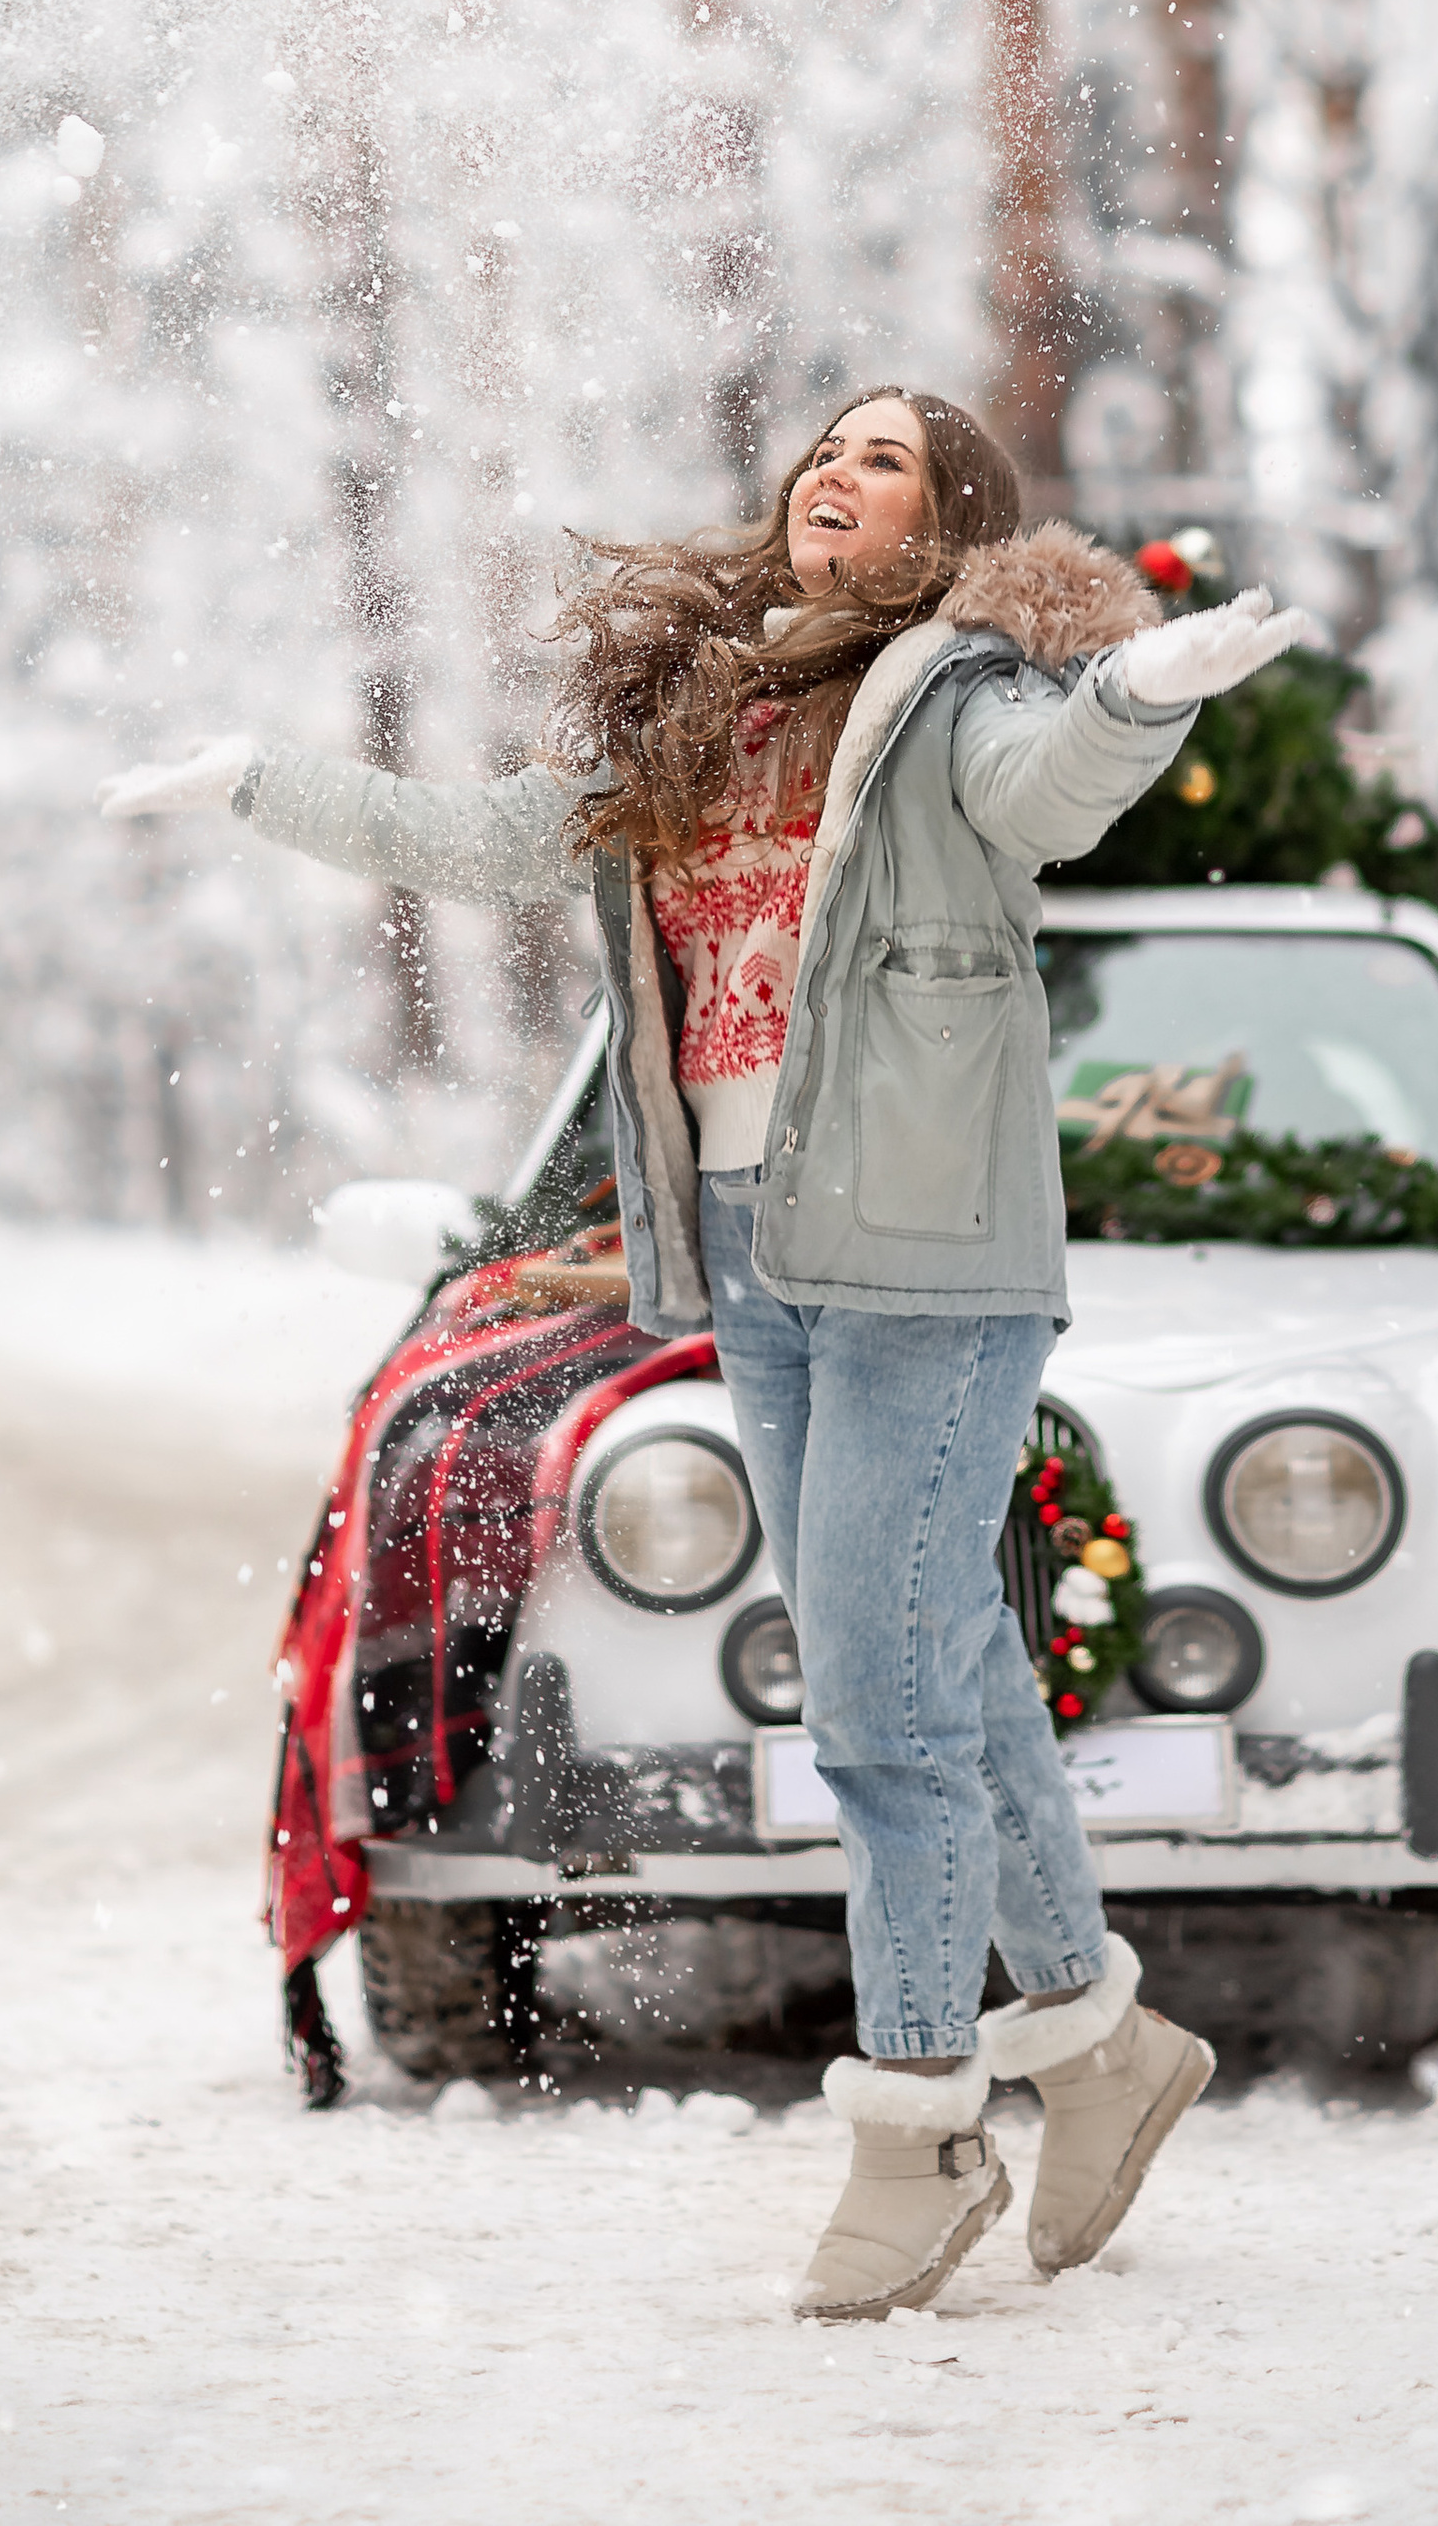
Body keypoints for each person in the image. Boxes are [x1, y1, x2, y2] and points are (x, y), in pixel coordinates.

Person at [98, 387, 1308, 2318]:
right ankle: (1098, 2043)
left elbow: (1046, 787)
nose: (839, 470)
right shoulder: (700, 715)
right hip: (751, 1255)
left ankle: (919, 2130)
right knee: (958, 1666)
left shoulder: (951, 694)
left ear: (950, 521)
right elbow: (488, 840)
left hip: (922, 1254)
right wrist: (263, 780)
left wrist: (1142, 690)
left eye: (889, 457)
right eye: (825, 447)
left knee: (876, 1719)